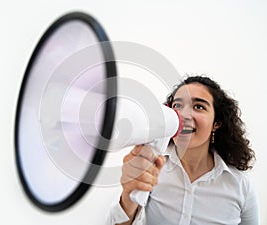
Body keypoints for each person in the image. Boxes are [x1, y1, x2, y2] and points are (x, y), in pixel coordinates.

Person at [107, 75, 259, 225]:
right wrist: (128, 196)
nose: (184, 115)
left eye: (198, 106)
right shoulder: (150, 169)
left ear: (216, 123)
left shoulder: (241, 186)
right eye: (177, 106)